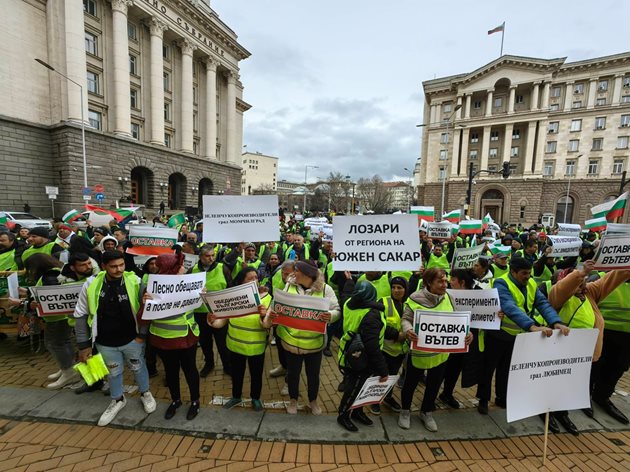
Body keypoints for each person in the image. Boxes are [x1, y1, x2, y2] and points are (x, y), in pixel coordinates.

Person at [477, 257, 569, 420]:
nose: (527, 276)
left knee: (507, 369)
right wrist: (531, 326)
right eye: (524, 273)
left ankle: (501, 397)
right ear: (513, 272)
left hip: (517, 336)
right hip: (497, 334)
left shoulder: (531, 283)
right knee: (488, 368)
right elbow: (509, 307)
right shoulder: (501, 283)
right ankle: (483, 399)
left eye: (529, 273)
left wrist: (556, 322)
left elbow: (543, 304)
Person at [74, 250, 157, 426]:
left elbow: (146, 310)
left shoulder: (135, 280)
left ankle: (145, 393)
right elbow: (80, 315)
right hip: (105, 342)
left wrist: (142, 335)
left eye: (121, 265)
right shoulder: (91, 284)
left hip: (132, 340)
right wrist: (83, 345)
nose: (119, 269)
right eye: (113, 266)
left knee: (138, 367)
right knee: (113, 372)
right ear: (103, 266)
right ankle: (118, 399)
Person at [547, 261, 630, 433]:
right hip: (561, 352)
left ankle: (562, 413)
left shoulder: (590, 294)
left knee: (571, 386)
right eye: (578, 283)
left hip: (583, 355)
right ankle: (547, 411)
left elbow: (610, 279)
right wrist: (581, 273)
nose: (582, 287)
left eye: (584, 283)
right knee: (555, 383)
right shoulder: (558, 296)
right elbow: (562, 288)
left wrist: (626, 266)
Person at [398, 268, 473, 432]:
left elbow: (458, 322)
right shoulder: (415, 298)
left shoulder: (450, 298)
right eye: (440, 281)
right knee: (410, 384)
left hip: (441, 354)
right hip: (418, 353)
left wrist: (468, 334)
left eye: (445, 281)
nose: (444, 284)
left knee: (434, 385)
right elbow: (406, 319)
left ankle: (426, 412)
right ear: (428, 283)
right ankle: (405, 411)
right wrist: (408, 330)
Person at [275, 260, 340, 415]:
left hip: (313, 344)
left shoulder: (326, 289)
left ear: (306, 274)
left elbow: (337, 309)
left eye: (296, 270)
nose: (292, 273)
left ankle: (313, 401)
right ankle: (293, 400)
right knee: (292, 374)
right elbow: (280, 305)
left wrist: (330, 316)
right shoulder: (289, 285)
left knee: (313, 376)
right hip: (290, 341)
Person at [142, 253, 201, 420]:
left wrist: (202, 294)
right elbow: (143, 316)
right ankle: (176, 400)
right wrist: (145, 302)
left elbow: (200, 304)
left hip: (185, 337)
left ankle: (195, 401)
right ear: (172, 269)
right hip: (162, 338)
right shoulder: (153, 287)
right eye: (180, 265)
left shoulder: (189, 284)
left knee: (190, 371)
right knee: (171, 372)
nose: (184, 268)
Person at [209, 267, 273, 411]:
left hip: (256, 347)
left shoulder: (267, 298)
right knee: (237, 374)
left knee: (256, 375)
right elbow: (222, 322)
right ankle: (236, 396)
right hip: (235, 345)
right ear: (241, 281)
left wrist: (264, 315)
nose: (255, 281)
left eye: (256, 277)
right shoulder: (233, 297)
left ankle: (255, 398)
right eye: (250, 278)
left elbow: (267, 325)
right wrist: (213, 320)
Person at [336, 281, 391, 432]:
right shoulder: (372, 315)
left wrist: (348, 281)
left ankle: (357, 412)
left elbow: (345, 294)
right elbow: (372, 346)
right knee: (354, 389)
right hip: (362, 359)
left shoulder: (348, 303)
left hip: (348, 351)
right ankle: (343, 415)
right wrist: (383, 370)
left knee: (360, 388)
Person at [24, 253, 79, 389]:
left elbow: (51, 295)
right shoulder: (57, 271)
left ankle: (68, 370)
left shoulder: (49, 277)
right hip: (64, 316)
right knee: (64, 341)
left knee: (54, 343)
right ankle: (68, 367)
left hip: (56, 317)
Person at [591, 272, 630, 425]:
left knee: (619, 367)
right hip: (604, 332)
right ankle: (585, 395)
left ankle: (602, 397)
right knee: (596, 364)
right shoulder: (600, 277)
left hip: (627, 336)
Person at [190, 244, 233, 377]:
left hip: (219, 313)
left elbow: (230, 287)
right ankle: (209, 363)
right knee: (205, 342)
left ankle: (227, 365)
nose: (211, 258)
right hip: (200, 313)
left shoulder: (222, 268)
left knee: (222, 343)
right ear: (200, 257)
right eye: (207, 256)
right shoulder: (192, 270)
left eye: (212, 255)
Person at [371, 276, 407, 415]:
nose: (396, 290)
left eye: (400, 288)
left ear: (405, 289)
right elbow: (377, 323)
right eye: (393, 287)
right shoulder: (383, 302)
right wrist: (396, 335)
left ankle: (388, 397)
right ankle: (374, 400)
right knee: (380, 375)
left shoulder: (409, 304)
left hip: (400, 351)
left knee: (392, 375)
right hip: (385, 349)